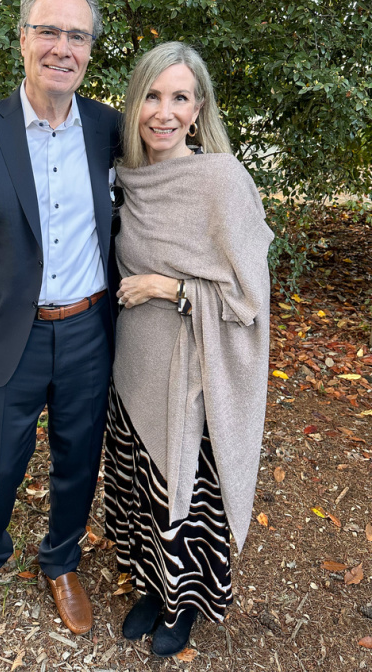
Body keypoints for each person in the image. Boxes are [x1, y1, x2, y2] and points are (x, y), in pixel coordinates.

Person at [0, 0, 120, 635]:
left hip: (88, 332)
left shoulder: (106, 126)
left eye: (77, 35)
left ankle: (61, 561)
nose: (62, 47)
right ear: (23, 39)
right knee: (0, 461)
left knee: (79, 457)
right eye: (49, 30)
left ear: (89, 50)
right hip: (6, 333)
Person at [104, 42, 273, 657]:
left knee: (185, 489)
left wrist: (169, 287)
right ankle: (152, 588)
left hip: (191, 371)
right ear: (135, 103)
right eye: (153, 95)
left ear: (199, 109)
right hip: (132, 368)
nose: (164, 112)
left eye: (180, 98)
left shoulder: (221, 180)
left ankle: (187, 603)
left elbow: (249, 294)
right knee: (142, 485)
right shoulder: (127, 178)